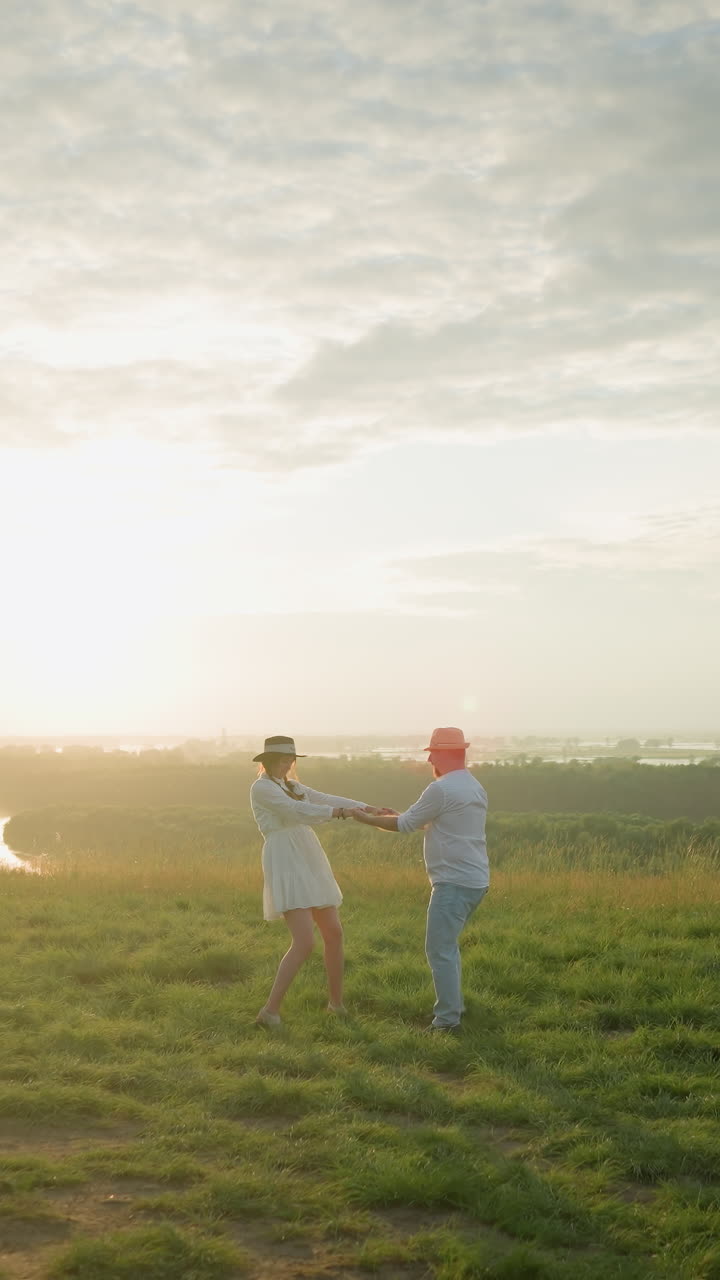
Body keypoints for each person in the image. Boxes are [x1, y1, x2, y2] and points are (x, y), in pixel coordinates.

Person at [351, 727, 489, 1032]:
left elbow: (404, 825)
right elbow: (428, 821)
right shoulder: (473, 786)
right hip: (475, 879)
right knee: (446, 947)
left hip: (453, 882)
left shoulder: (440, 788)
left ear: (444, 754)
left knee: (439, 949)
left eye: (433, 753)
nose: (430, 761)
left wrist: (367, 818)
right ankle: (454, 1008)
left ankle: (447, 1021)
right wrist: (398, 815)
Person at [250, 735, 381, 1028]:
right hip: (285, 857)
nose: (287, 765)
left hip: (308, 854)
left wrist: (366, 807)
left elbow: (321, 798)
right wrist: (343, 814)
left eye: (290, 760)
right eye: (283, 760)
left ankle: (336, 1004)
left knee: (333, 932)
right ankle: (269, 1012)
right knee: (305, 941)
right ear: (269, 761)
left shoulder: (292, 786)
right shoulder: (261, 788)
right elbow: (297, 811)